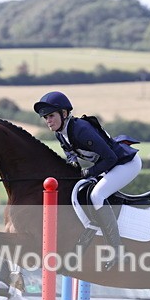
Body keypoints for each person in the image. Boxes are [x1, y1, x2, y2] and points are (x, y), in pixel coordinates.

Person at [34, 91, 141, 271]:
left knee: (97, 195)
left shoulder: (81, 129)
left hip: (125, 163)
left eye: (51, 116)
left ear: (64, 113)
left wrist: (88, 172)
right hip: (109, 164)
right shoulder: (61, 132)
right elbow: (68, 150)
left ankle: (117, 250)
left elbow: (111, 158)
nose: (48, 121)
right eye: (45, 117)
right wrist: (72, 161)